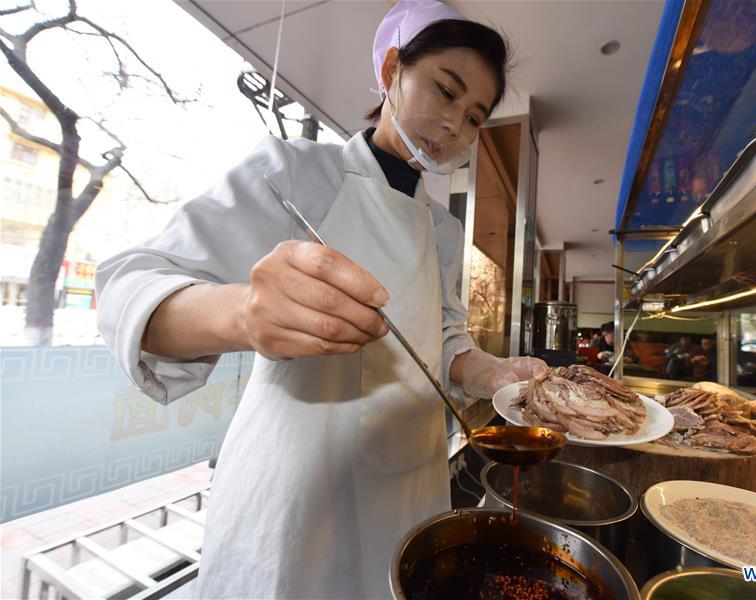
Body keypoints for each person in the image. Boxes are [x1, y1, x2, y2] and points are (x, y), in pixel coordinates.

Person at [95, 3, 545, 597]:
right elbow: (129, 285)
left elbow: (442, 341)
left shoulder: (442, 229)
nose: (454, 127)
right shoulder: (294, 173)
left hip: (410, 485)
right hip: (297, 493)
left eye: (474, 118)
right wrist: (243, 313)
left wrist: (490, 373)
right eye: (445, 90)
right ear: (392, 70)